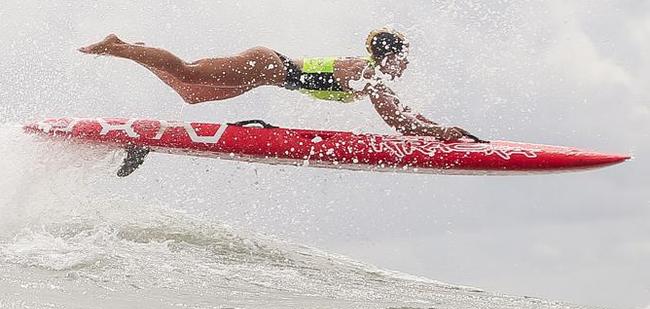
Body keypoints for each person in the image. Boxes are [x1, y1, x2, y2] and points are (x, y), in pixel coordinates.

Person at [79, 28, 471, 141]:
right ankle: (119, 47)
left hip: (265, 76)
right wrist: (439, 133)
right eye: (403, 58)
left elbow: (400, 114)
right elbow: (397, 119)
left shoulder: (370, 75)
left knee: (189, 93)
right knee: (188, 71)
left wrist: (434, 130)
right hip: (264, 65)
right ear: (391, 57)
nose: (406, 66)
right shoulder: (368, 75)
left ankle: (138, 49)